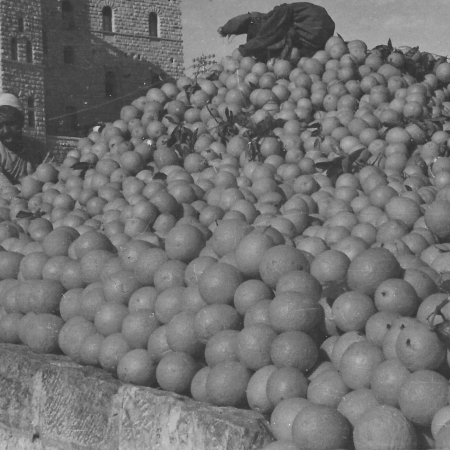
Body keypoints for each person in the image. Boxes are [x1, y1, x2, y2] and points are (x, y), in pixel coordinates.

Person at [218, 2, 335, 63]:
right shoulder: (281, 24)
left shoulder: (276, 16)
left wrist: (243, 50)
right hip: (323, 35)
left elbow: (265, 37)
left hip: (315, 24)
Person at [0, 93, 47, 190]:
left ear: (21, 122)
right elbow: (5, 188)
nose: (6, 130)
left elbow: (52, 172)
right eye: (0, 125)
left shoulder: (37, 147)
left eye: (11, 123)